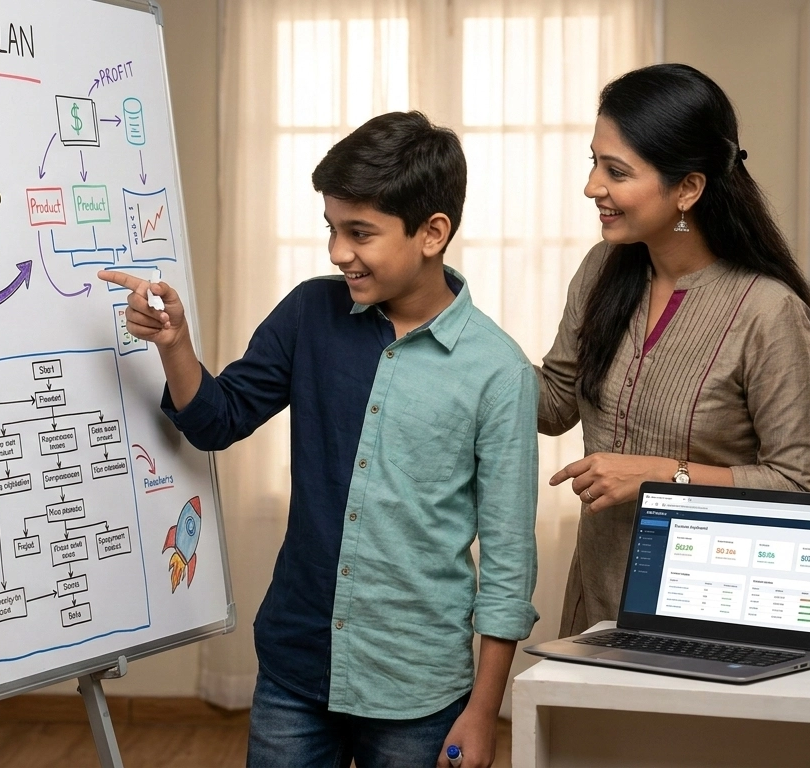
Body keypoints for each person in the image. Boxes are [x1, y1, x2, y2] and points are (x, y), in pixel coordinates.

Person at [101, 111, 538, 768]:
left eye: (359, 233)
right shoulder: (310, 311)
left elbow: (508, 564)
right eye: (332, 229)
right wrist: (175, 344)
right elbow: (217, 419)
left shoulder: (499, 371)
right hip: (294, 670)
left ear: (432, 233)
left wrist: (483, 712)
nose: (338, 251)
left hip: (420, 691)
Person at [536, 64, 810, 637]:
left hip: (713, 618)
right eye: (593, 163)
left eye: (615, 171)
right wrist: (444, 322)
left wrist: (662, 476)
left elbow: (804, 486)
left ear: (688, 188)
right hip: (599, 607)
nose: (593, 186)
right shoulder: (602, 272)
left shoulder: (767, 311)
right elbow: (553, 403)